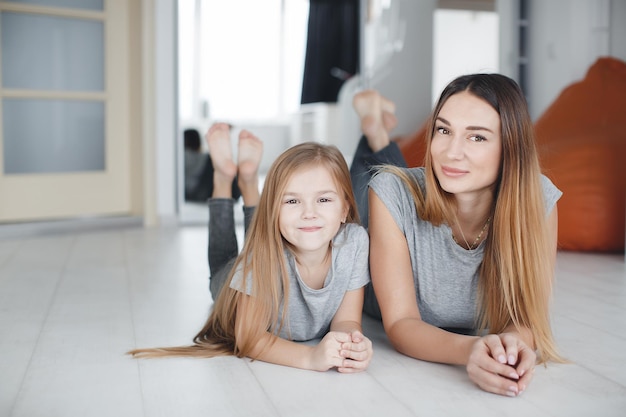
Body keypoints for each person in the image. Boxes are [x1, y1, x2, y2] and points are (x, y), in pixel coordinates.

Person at [349, 74, 565, 397]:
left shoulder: (538, 200)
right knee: (375, 175)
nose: (452, 151)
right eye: (443, 130)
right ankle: (374, 130)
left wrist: (510, 350)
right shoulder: (389, 194)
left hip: (424, 186)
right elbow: (401, 323)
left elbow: (526, 317)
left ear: (510, 148)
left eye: (476, 137)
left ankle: (378, 129)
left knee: (421, 174)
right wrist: (472, 351)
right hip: (381, 199)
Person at [129, 123, 373, 373]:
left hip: (269, 249)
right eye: (292, 200)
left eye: (323, 199)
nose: (309, 213)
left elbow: (347, 320)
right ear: (273, 211)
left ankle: (247, 180)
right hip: (237, 280)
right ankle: (224, 178)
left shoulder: (354, 242)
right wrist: (310, 358)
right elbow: (249, 337)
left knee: (273, 235)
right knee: (226, 261)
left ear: (345, 208)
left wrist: (349, 344)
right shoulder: (259, 259)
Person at [183, 127, 240, 202]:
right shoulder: (209, 159)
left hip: (189, 199)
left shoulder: (176, 161)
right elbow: (236, 194)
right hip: (208, 198)